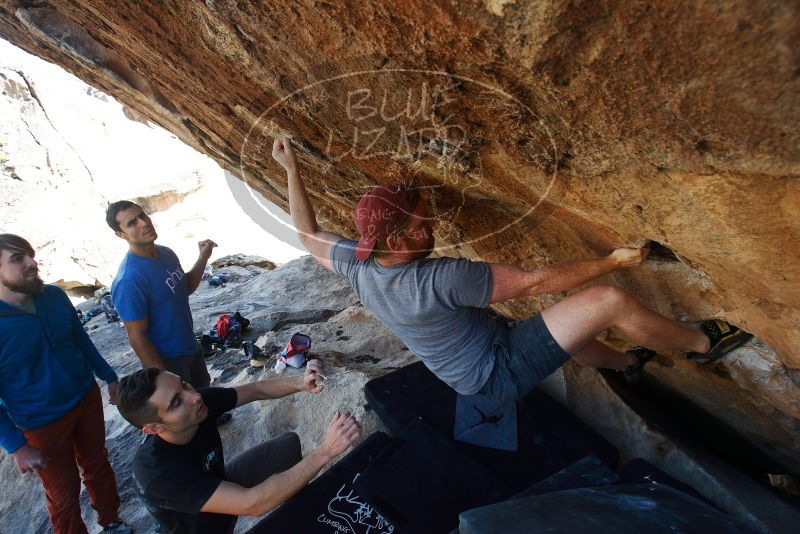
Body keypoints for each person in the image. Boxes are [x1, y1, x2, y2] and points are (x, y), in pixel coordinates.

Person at [270, 138, 752, 402]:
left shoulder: (359, 264)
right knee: (607, 302)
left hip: (469, 366)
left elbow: (306, 233)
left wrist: (292, 168)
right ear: (396, 241)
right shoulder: (439, 280)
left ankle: (629, 365)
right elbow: (534, 280)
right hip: (494, 374)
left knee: (566, 330)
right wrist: (612, 260)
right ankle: (704, 345)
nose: (433, 222)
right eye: (424, 222)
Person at [116, 362, 360, 533]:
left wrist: (300, 382)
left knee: (288, 445)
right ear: (155, 428)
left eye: (183, 384)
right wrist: (325, 451)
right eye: (176, 402)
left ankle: (300, 508)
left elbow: (255, 389)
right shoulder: (158, 474)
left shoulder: (196, 404)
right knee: (256, 501)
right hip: (202, 526)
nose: (194, 396)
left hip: (220, 483)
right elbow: (252, 504)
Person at [0, 234, 131, 533]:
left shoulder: (54, 296)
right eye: (17, 259)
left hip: (84, 397)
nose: (32, 263)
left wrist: (109, 378)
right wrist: (17, 446)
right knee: (63, 493)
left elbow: (80, 340)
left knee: (97, 462)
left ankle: (112, 521)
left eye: (31, 255)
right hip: (41, 422)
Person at [106, 201, 230, 423]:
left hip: (190, 344)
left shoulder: (165, 254)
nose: (144, 223)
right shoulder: (130, 279)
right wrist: (162, 374)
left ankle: (209, 421)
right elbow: (136, 335)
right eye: (132, 223)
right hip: (168, 358)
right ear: (120, 234)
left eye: (142, 215)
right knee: (181, 414)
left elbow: (185, 287)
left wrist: (202, 258)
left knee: (202, 394)